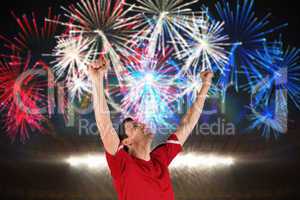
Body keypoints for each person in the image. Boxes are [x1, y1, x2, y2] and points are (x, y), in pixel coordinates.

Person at [89, 57, 213, 200]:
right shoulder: (123, 164)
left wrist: (206, 84)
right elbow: (104, 125)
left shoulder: (160, 158)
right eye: (135, 126)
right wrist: (97, 81)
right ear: (126, 142)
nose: (142, 124)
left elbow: (187, 123)